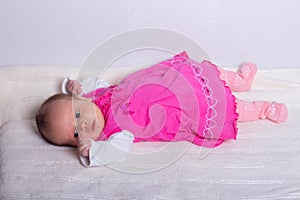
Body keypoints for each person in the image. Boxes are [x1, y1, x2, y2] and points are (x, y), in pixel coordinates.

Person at [35, 51, 288, 165]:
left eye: (77, 114)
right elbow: (118, 152)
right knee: (217, 107)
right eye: (75, 134)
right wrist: (95, 151)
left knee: (202, 73)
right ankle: (262, 109)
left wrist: (74, 86)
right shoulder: (112, 135)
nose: (81, 125)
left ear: (83, 101)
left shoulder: (94, 95)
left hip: (166, 80)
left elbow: (94, 84)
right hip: (177, 109)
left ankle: (239, 81)